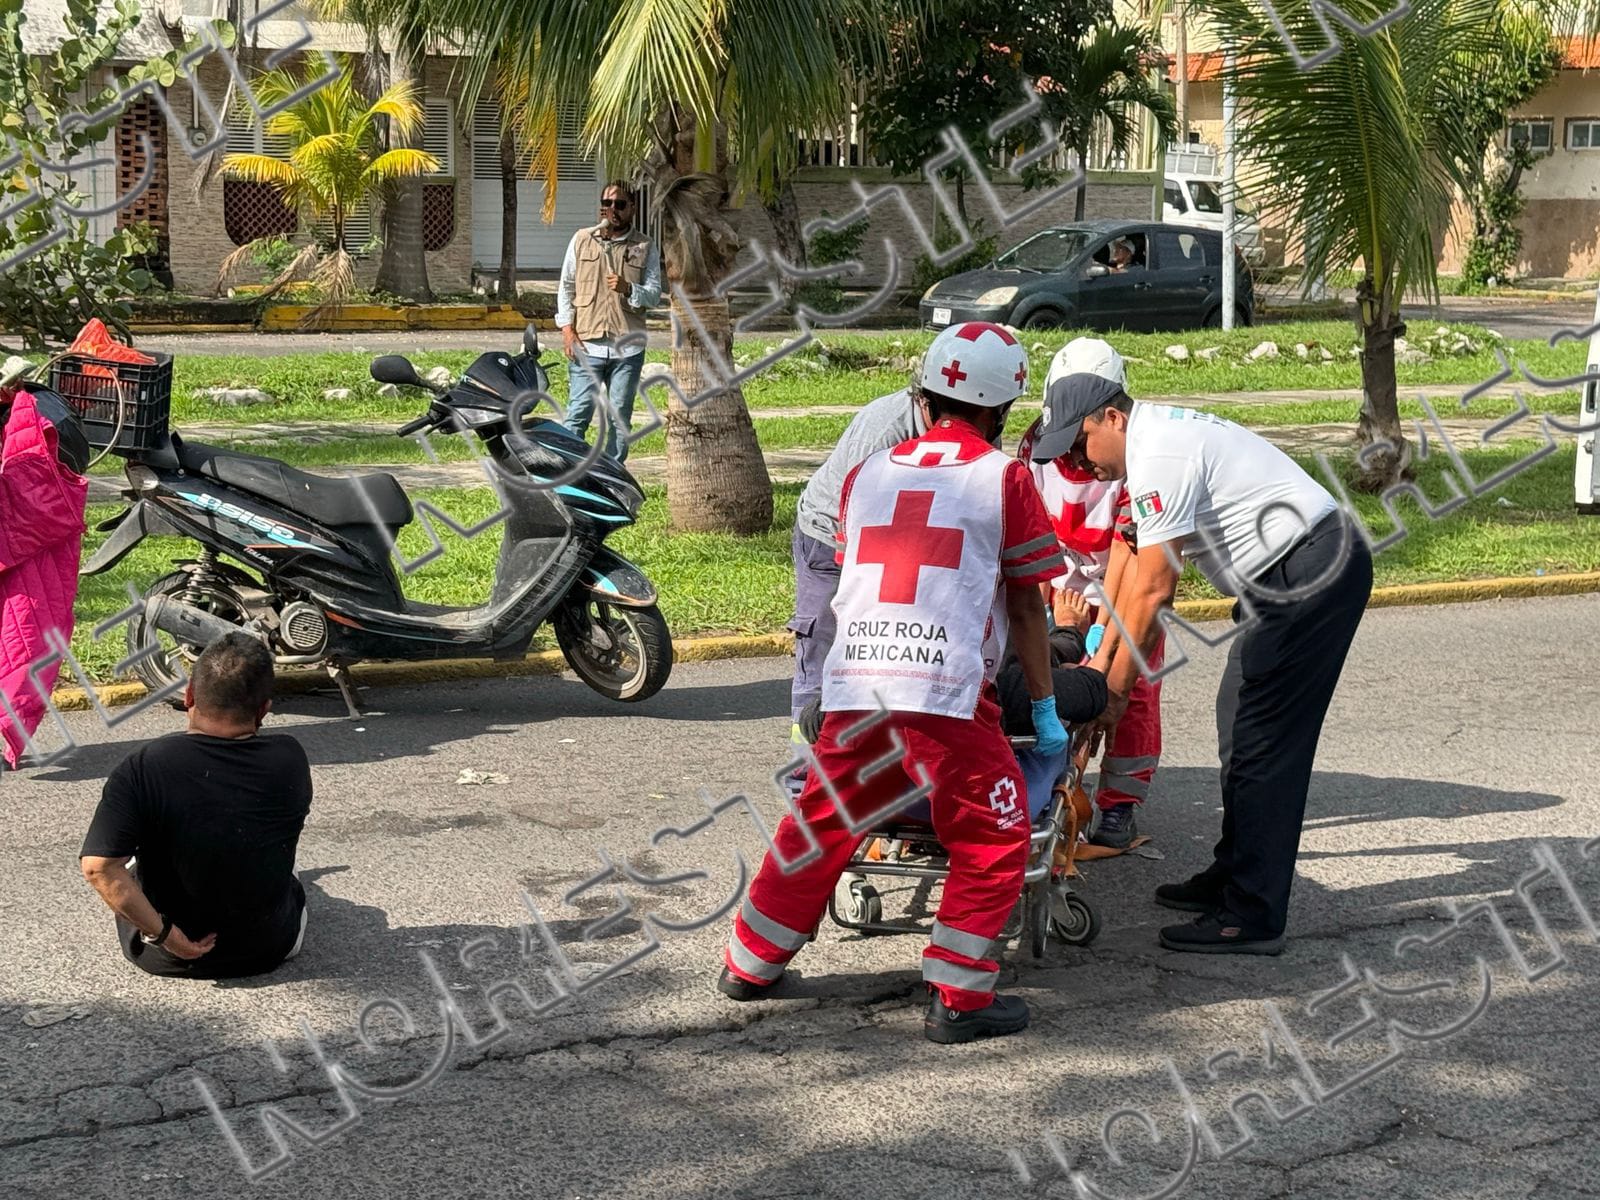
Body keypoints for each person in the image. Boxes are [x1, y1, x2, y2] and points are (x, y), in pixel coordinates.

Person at [720, 321, 1069, 1045]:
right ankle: (959, 997)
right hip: (943, 693)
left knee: (820, 823)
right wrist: (1042, 705)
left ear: (926, 396)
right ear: (1002, 411)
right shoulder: (1004, 479)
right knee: (996, 832)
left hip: (855, 685)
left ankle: (749, 962)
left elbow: (860, 578)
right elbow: (1026, 607)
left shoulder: (867, 474)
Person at [1030, 362, 1373, 955]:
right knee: (1238, 728)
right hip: (1285, 577)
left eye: (1081, 444)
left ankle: (1252, 914)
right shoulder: (1149, 450)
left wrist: (1113, 694)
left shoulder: (1160, 454)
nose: (1078, 462)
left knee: (1263, 744)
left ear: (1112, 417)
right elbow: (1129, 573)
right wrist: (1100, 667)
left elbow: (1155, 591)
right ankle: (1234, 873)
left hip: (1310, 574)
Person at [79, 633, 313, 979]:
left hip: (163, 957)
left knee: (124, 859)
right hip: (270, 948)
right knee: (289, 865)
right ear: (264, 709)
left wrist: (167, 937)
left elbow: (98, 868)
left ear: (189, 695)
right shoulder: (290, 757)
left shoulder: (145, 767)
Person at [1016, 338, 1164, 851]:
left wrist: (1104, 639)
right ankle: (1049, 788)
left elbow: (1132, 556)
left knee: (1132, 689)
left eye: (1080, 441)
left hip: (1125, 586)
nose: (1075, 456)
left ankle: (1120, 803)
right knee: (1047, 681)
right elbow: (1029, 535)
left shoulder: (1136, 456)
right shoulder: (1035, 449)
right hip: (1060, 587)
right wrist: (1045, 614)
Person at [785, 375, 930, 788]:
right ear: (923, 400)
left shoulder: (969, 422)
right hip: (830, 537)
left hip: (900, 540)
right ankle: (806, 778)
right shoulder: (885, 432)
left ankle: (879, 771)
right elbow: (858, 519)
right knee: (823, 647)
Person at [554, 180, 662, 462]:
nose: (612, 209)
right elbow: (566, 287)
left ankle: (612, 473)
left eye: (620, 204)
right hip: (586, 346)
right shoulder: (582, 239)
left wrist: (629, 289)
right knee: (577, 415)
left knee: (619, 418)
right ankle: (569, 474)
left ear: (632, 208)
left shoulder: (644, 246)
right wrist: (567, 330)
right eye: (607, 203)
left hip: (628, 349)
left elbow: (654, 295)